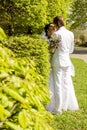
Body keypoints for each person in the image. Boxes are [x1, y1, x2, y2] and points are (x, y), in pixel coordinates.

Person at [47, 16, 79, 114]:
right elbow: (71, 50)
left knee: (58, 84)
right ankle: (65, 106)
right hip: (67, 61)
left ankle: (58, 109)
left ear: (57, 23)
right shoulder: (71, 33)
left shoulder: (56, 34)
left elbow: (51, 49)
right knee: (65, 83)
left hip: (58, 61)